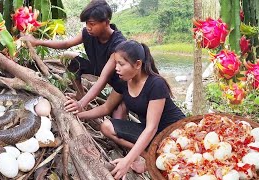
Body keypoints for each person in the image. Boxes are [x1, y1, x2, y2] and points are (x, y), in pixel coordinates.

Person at [71, 40, 185, 179]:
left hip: (173, 133)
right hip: (149, 133)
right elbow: (107, 107)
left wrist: (127, 161)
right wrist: (79, 115)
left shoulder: (156, 84)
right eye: (116, 63)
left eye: (121, 64)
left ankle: (149, 161)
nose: (116, 68)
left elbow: (152, 128)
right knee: (106, 126)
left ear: (137, 64)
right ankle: (149, 156)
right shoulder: (123, 81)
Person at [21, 0, 126, 112]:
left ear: (106, 22)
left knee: (118, 113)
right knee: (73, 64)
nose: (88, 27)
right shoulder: (88, 33)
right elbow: (66, 44)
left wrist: (81, 104)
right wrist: (38, 42)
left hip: (118, 79)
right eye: (86, 24)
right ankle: (80, 94)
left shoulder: (118, 45)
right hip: (97, 66)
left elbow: (104, 77)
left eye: (92, 24)